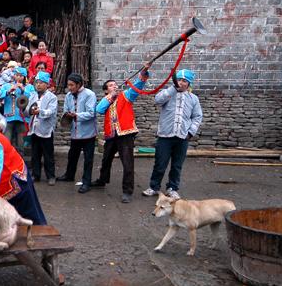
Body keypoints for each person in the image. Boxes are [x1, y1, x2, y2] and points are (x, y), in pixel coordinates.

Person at [92, 63, 151, 203]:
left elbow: (138, 85)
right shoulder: (106, 100)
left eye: (115, 85)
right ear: (106, 90)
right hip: (111, 135)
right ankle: (102, 180)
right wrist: (111, 96)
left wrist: (144, 72)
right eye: (111, 85)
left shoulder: (126, 95)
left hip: (125, 134)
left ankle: (127, 191)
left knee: (127, 163)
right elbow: (99, 110)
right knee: (106, 160)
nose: (115, 86)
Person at [143, 69, 203, 199]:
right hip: (165, 136)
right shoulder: (168, 93)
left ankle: (172, 188)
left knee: (177, 165)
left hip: (182, 137)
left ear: (189, 83)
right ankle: (154, 187)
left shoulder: (193, 99)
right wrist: (173, 89)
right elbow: (157, 100)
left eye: (184, 81)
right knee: (160, 163)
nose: (181, 83)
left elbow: (197, 116)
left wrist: (190, 132)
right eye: (179, 80)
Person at [56, 73, 98, 193]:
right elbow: (66, 110)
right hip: (75, 132)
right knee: (72, 156)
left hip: (88, 133)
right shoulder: (68, 95)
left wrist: (76, 115)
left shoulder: (90, 94)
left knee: (88, 159)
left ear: (79, 84)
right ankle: (69, 175)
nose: (69, 87)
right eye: (68, 85)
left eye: (72, 85)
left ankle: (86, 182)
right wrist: (67, 115)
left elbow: (91, 113)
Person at [25, 71, 58, 186]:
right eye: (37, 82)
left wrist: (40, 112)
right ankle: (36, 175)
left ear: (47, 84)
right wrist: (29, 111)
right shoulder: (32, 95)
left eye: (41, 83)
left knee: (48, 155)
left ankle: (51, 176)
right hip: (34, 129)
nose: (38, 85)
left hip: (46, 130)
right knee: (35, 154)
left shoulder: (52, 97)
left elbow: (51, 111)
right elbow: (27, 110)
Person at [0, 67, 33, 156]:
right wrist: (8, 91)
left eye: (21, 76)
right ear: (14, 76)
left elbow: (33, 98)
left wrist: (23, 90)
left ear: (24, 77)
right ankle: (7, 161)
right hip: (9, 118)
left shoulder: (29, 87)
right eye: (17, 75)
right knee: (7, 141)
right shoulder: (7, 86)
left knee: (21, 143)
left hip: (22, 118)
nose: (19, 77)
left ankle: (20, 161)